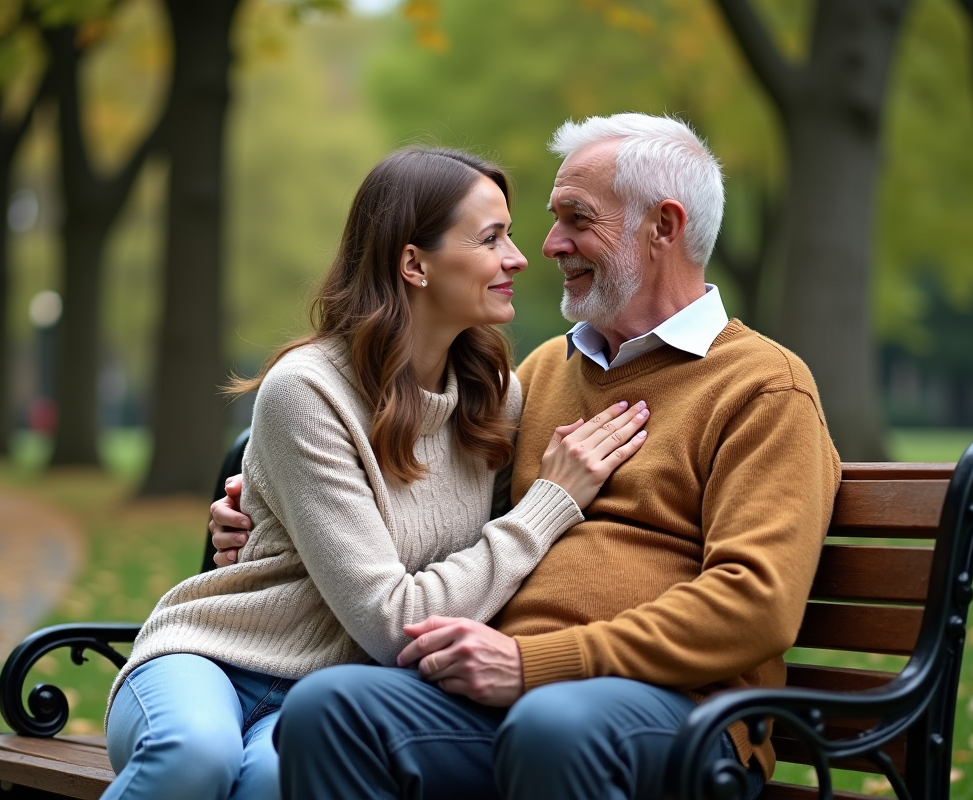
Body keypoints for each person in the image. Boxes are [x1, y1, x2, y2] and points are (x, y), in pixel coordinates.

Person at [213, 114, 842, 800]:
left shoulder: (763, 388)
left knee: (553, 723)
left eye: (576, 218)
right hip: (505, 699)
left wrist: (535, 663)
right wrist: (263, 508)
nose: (546, 245)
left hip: (683, 715)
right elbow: (433, 500)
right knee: (331, 708)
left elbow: (757, 604)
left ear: (664, 227)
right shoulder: (542, 374)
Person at [102, 146, 652, 800]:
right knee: (192, 756)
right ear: (414, 263)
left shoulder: (496, 398)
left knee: (273, 783)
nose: (518, 257)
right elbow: (397, 623)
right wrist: (552, 502)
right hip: (214, 660)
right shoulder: (307, 391)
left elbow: (497, 575)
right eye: (491, 238)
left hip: (327, 707)